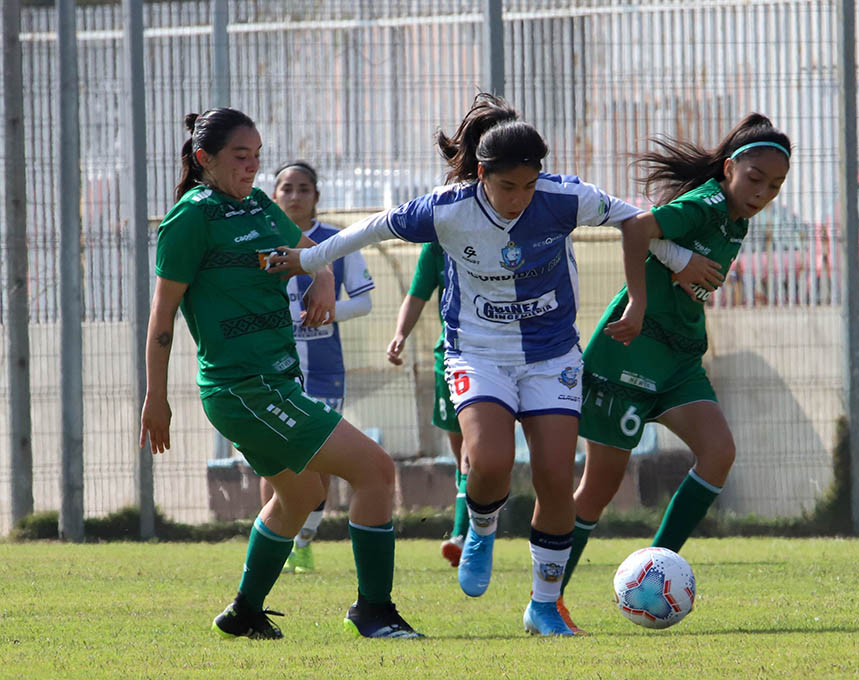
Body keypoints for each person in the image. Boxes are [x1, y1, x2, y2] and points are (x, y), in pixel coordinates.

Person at [267, 93, 696, 636]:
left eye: (528, 185)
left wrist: (680, 261)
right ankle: (483, 527)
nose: (518, 198)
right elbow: (373, 228)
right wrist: (307, 259)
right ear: (481, 175)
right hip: (478, 352)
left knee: (556, 478)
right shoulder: (448, 206)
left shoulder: (566, 197)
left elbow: (636, 220)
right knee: (490, 462)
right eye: (505, 186)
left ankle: (543, 606)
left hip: (552, 355)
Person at [139, 108, 422, 640]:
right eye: (239, 158)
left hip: (275, 381)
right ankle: (375, 611)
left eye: (256, 157)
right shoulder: (190, 218)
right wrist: (156, 397)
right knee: (376, 470)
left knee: (299, 496)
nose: (251, 168)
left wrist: (320, 272)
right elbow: (161, 316)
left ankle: (245, 611)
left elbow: (303, 250)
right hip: (242, 388)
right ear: (205, 160)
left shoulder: (259, 205)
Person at [558, 113, 792, 629]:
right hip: (632, 349)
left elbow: (683, 265)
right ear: (730, 169)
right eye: (755, 179)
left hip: (680, 356)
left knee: (718, 452)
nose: (763, 192)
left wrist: (685, 270)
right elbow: (637, 228)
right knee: (599, 488)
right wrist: (639, 303)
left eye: (775, 185)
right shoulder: (708, 202)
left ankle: (652, 570)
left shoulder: (738, 217)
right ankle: (547, 599)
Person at [257, 160, 376, 575]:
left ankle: (302, 544)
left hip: (324, 369)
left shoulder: (338, 243)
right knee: (274, 459)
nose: (294, 196)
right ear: (274, 196)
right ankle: (275, 538)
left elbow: (363, 301)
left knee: (317, 460)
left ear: (316, 197)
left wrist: (326, 312)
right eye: (286, 188)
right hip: (272, 369)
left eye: (303, 188)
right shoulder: (255, 239)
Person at [386, 241, 468, 568]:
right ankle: (473, 529)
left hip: (494, 359)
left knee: (477, 453)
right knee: (463, 453)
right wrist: (400, 334)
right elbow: (417, 294)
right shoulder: (437, 246)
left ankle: (465, 534)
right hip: (449, 359)